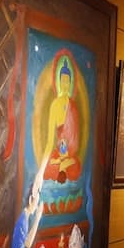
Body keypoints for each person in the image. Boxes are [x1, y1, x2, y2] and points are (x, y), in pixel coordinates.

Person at [40, 53, 82, 183]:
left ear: (70, 83)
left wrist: (68, 155)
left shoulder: (73, 107)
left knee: (76, 166)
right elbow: (50, 141)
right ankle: (61, 166)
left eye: (67, 81)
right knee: (48, 167)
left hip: (70, 156)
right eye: (63, 81)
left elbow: (76, 138)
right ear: (58, 82)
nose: (65, 84)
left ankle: (62, 167)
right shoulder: (55, 105)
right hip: (59, 152)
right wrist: (54, 160)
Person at [6, 173, 44, 248]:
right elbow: (28, 243)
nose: (36, 206)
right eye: (36, 202)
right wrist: (37, 218)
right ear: (30, 199)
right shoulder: (22, 221)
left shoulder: (25, 217)